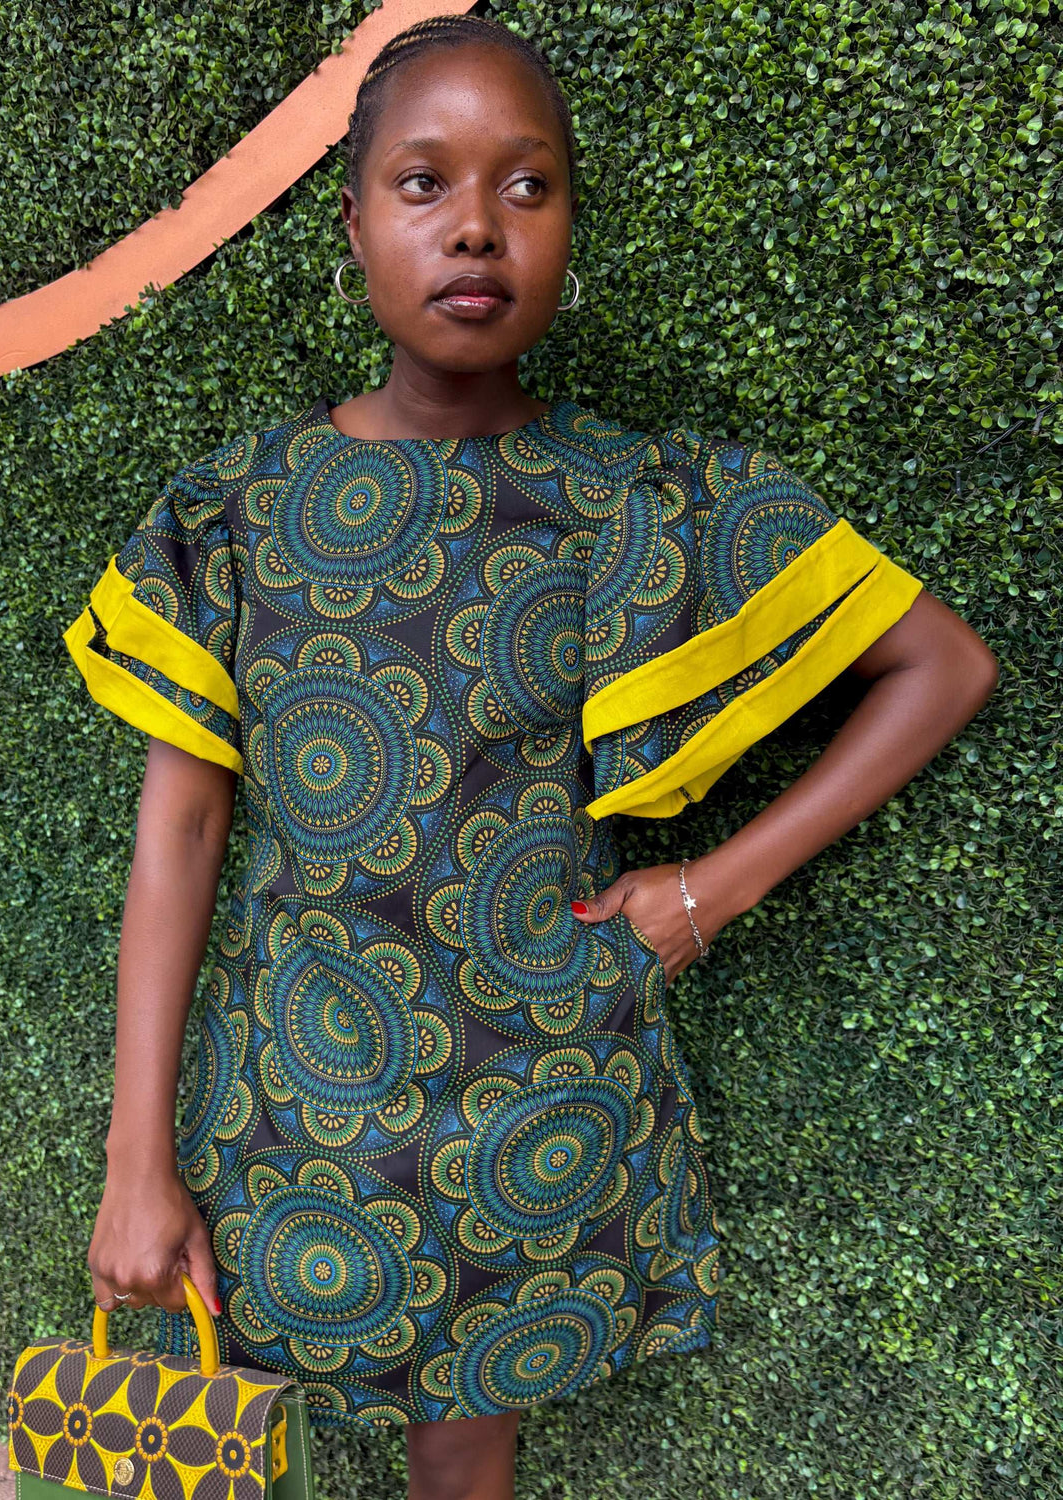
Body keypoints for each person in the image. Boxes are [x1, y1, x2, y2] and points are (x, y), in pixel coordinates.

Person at [63, 13, 999, 1499]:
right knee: (241, 1422)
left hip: (537, 1104)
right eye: (425, 184)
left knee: (467, 1457)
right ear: (354, 221)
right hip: (292, 1098)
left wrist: (712, 890)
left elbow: (939, 665)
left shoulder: (635, 497)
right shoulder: (238, 509)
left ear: (568, 225)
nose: (477, 229)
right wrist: (135, 1157)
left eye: (529, 186)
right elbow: (177, 833)